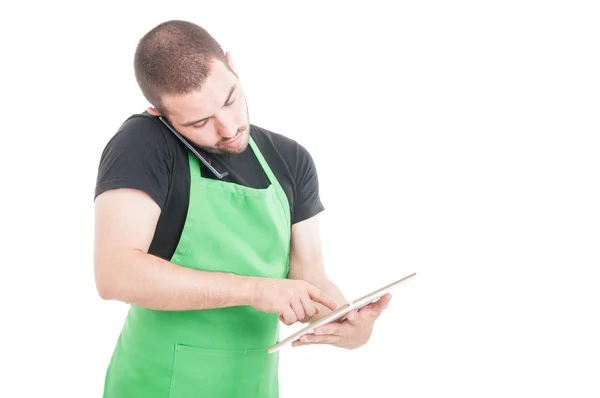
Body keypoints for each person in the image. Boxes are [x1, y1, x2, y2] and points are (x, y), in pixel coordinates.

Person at [93, 19, 392, 398]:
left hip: (253, 387)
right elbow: (116, 274)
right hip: (158, 385)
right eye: (200, 121)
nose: (229, 127)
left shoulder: (290, 159)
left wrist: (343, 321)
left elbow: (309, 274)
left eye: (230, 99)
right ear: (158, 113)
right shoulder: (143, 144)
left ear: (232, 66)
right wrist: (254, 290)